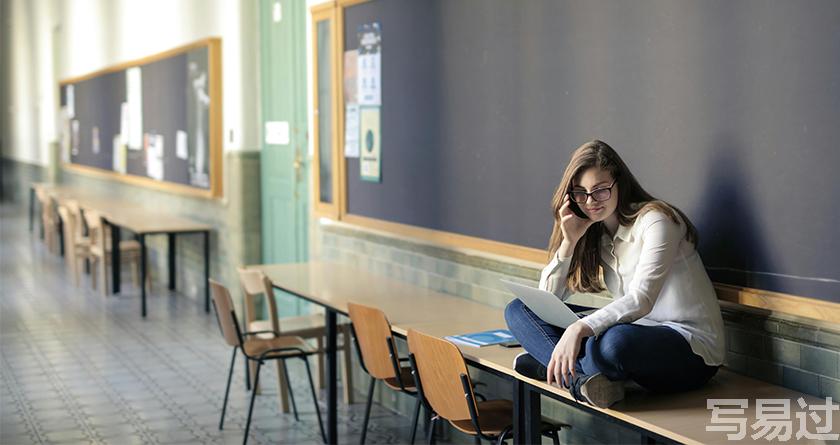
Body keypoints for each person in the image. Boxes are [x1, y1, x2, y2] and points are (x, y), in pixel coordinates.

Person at [504, 140, 725, 408]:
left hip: (690, 350)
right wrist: (569, 242)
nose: (590, 202)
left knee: (613, 344)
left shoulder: (656, 221)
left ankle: (549, 365)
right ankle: (581, 380)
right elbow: (546, 302)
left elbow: (641, 299)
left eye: (600, 190)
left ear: (619, 183)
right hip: (636, 334)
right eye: (580, 193)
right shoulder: (596, 233)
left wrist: (577, 329)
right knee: (519, 309)